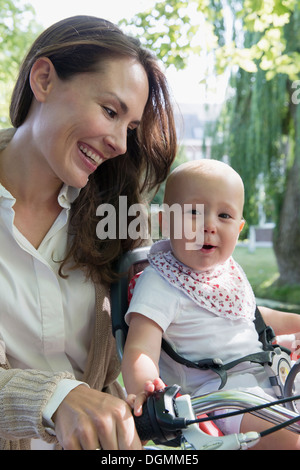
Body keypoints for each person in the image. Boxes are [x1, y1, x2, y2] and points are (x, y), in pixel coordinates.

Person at [0, 15, 177, 450]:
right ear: (43, 80)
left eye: (130, 128)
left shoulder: (118, 209)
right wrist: (57, 399)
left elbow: (164, 303)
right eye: (111, 111)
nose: (120, 142)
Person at [122, 159, 300, 450]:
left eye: (225, 215)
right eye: (193, 212)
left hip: (270, 374)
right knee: (290, 442)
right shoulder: (159, 283)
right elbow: (140, 347)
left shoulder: (226, 273)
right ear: (166, 220)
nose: (209, 226)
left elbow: (253, 317)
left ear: (239, 228)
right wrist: (147, 388)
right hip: (223, 395)